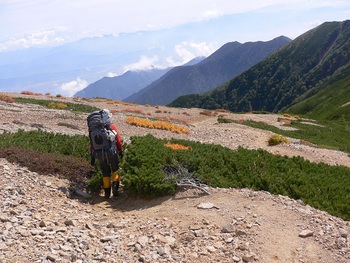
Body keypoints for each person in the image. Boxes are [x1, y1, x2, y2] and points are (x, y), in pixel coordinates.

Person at [89, 109, 124, 198]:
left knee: (105, 171)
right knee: (115, 169)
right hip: (111, 152)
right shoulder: (111, 126)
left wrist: (92, 156)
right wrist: (121, 151)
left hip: (99, 153)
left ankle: (107, 193)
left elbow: (92, 143)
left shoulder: (93, 129)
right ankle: (115, 188)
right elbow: (118, 140)